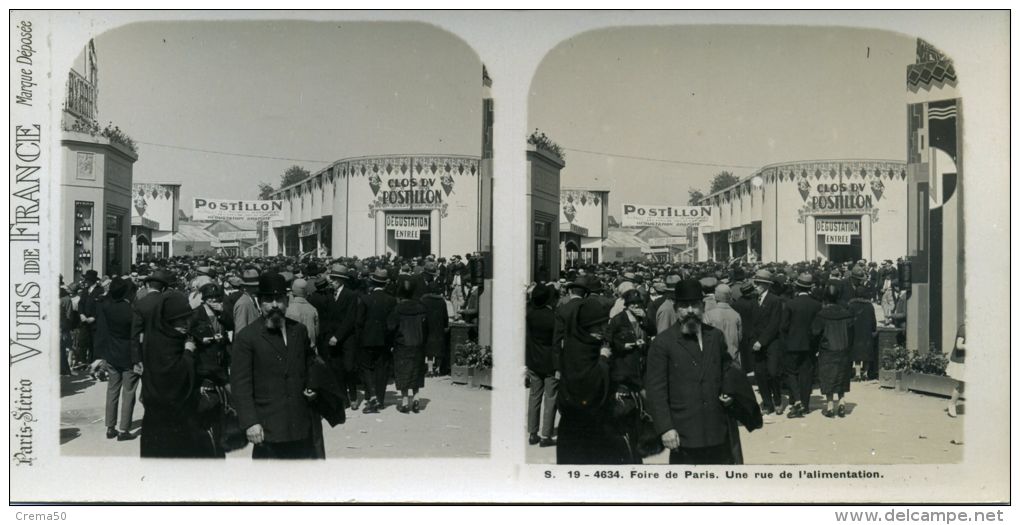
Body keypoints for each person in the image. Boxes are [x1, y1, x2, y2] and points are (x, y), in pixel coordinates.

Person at [644, 279, 742, 465]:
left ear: (703, 306)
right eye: (684, 306)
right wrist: (665, 428)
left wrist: (729, 393)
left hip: (716, 429)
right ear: (675, 308)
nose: (690, 311)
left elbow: (728, 371)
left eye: (695, 305)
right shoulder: (663, 343)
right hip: (683, 433)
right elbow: (656, 390)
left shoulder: (715, 336)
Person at [232, 273, 322, 459]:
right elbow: (240, 385)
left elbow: (310, 363)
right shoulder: (247, 337)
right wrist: (250, 422)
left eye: (279, 299)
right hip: (268, 427)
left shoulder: (299, 331)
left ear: (286, 301)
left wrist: (312, 386)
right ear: (259, 302)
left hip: (300, 423)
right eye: (268, 300)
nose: (274, 305)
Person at [557, 297, 632, 464]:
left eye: (603, 324)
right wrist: (604, 359)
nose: (601, 329)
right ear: (583, 328)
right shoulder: (578, 351)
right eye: (595, 326)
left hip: (595, 426)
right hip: (581, 428)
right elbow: (589, 386)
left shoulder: (588, 344)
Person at [140, 292, 214, 458]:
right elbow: (174, 379)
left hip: (172, 421)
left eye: (187, 319)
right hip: (168, 422)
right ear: (166, 322)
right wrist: (188, 353)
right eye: (180, 321)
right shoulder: (163, 346)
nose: (186, 324)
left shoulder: (165, 339)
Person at [604, 288, 652, 463]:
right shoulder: (618, 320)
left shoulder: (642, 319)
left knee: (641, 409)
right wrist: (627, 345)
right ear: (627, 305)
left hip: (640, 367)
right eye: (633, 304)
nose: (636, 306)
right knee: (627, 410)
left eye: (638, 304)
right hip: (624, 368)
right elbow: (609, 340)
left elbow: (652, 330)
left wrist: (644, 319)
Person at [95, 278, 140, 441]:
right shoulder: (132, 311)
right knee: (129, 392)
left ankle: (110, 426)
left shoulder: (107, 308)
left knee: (112, 390)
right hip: (129, 355)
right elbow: (135, 337)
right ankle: (124, 429)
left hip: (112, 353)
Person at [780, 273, 821, 418]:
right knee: (806, 374)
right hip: (810, 345)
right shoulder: (817, 305)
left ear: (797, 287)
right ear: (810, 288)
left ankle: (796, 400)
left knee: (791, 372)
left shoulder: (791, 304)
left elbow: (784, 326)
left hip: (792, 344)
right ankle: (805, 403)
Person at [356, 269, 397, 414]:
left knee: (366, 368)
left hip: (366, 339)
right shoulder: (392, 300)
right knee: (382, 369)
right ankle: (380, 399)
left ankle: (371, 395)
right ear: (385, 284)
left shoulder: (365, 299)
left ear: (372, 283)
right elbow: (393, 324)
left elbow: (359, 322)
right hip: (384, 340)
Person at [323, 264, 362, 410]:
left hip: (347, 339)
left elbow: (350, 320)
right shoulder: (328, 294)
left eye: (333, 279)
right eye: (330, 278)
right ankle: (343, 398)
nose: (330, 281)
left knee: (349, 368)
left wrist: (337, 337)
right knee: (336, 369)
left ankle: (353, 397)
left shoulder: (351, 295)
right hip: (332, 338)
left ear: (341, 280)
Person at [388, 278, 429, 414]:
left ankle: (405, 401)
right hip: (418, 344)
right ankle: (416, 399)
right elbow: (426, 328)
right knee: (416, 371)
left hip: (402, 344)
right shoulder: (421, 308)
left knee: (403, 372)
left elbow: (390, 328)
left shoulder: (397, 309)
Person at [813, 284, 855, 418]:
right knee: (842, 376)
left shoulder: (821, 314)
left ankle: (830, 405)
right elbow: (852, 333)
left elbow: (815, 332)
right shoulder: (847, 314)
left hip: (827, 350)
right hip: (843, 349)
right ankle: (842, 402)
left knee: (828, 377)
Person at [525, 283, 558, 448]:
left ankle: (532, 433)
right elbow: (557, 342)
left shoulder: (530, 315)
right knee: (550, 398)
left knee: (534, 397)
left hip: (533, 360)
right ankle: (546, 435)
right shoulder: (553, 317)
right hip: (550, 362)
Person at [747, 270, 784, 415]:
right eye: (755, 283)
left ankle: (778, 401)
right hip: (756, 343)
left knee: (773, 373)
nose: (755, 286)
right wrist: (753, 340)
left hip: (771, 343)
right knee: (760, 374)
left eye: (758, 283)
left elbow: (774, 324)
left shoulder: (775, 300)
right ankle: (767, 404)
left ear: (766, 285)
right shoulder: (753, 300)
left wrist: (761, 341)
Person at [702, 284, 742, 366]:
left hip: (714, 358)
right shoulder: (736, 315)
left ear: (716, 296)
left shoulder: (708, 315)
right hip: (733, 358)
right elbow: (739, 337)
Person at [848, 286, 877, 382]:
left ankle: (857, 373)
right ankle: (865, 373)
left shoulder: (851, 305)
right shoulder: (869, 306)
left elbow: (849, 320)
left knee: (856, 352)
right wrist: (873, 329)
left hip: (856, 331)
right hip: (866, 331)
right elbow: (873, 320)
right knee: (867, 351)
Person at [946, 324, 965, 418]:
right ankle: (952, 404)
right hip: (962, 360)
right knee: (963, 384)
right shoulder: (964, 328)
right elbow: (959, 346)